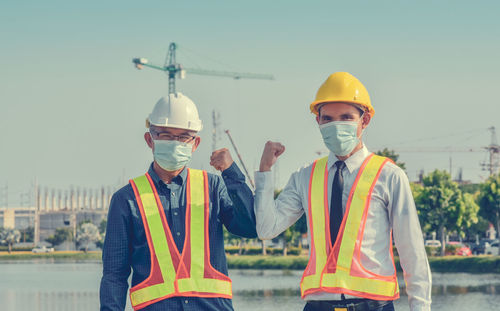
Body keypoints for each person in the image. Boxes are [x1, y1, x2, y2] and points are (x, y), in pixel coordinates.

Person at [254, 72, 431, 311]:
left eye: (346, 117)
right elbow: (267, 228)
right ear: (318, 121)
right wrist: (265, 172)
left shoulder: (389, 176)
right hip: (319, 305)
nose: (336, 126)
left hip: (373, 306)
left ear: (365, 120)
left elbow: (412, 251)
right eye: (327, 119)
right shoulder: (305, 177)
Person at [99, 92, 257, 311]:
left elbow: (251, 227)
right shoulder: (126, 200)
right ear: (149, 139)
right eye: (165, 134)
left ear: (195, 143)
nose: (175, 143)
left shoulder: (213, 187)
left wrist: (231, 174)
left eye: (183, 136)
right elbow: (114, 276)